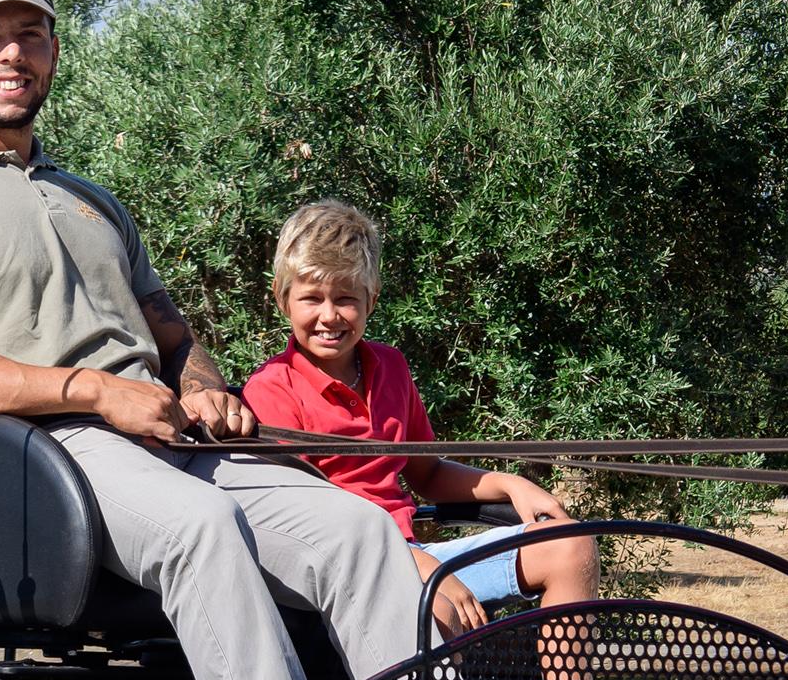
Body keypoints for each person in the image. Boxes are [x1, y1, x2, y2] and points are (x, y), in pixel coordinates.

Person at [0, 0, 419, 680]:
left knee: (358, 530)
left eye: (30, 35)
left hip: (170, 441)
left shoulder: (94, 201)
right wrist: (94, 392)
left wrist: (204, 388)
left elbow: (175, 338)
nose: (11, 54)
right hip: (50, 450)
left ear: (53, 51)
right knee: (201, 529)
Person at [239, 200, 599, 636]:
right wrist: (424, 568)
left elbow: (427, 473)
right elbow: (314, 523)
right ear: (282, 298)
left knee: (570, 545)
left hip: (412, 555)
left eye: (346, 299)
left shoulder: (390, 368)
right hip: (346, 572)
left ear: (371, 299)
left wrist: (510, 484)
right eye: (312, 299)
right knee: (439, 611)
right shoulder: (272, 390)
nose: (329, 316)